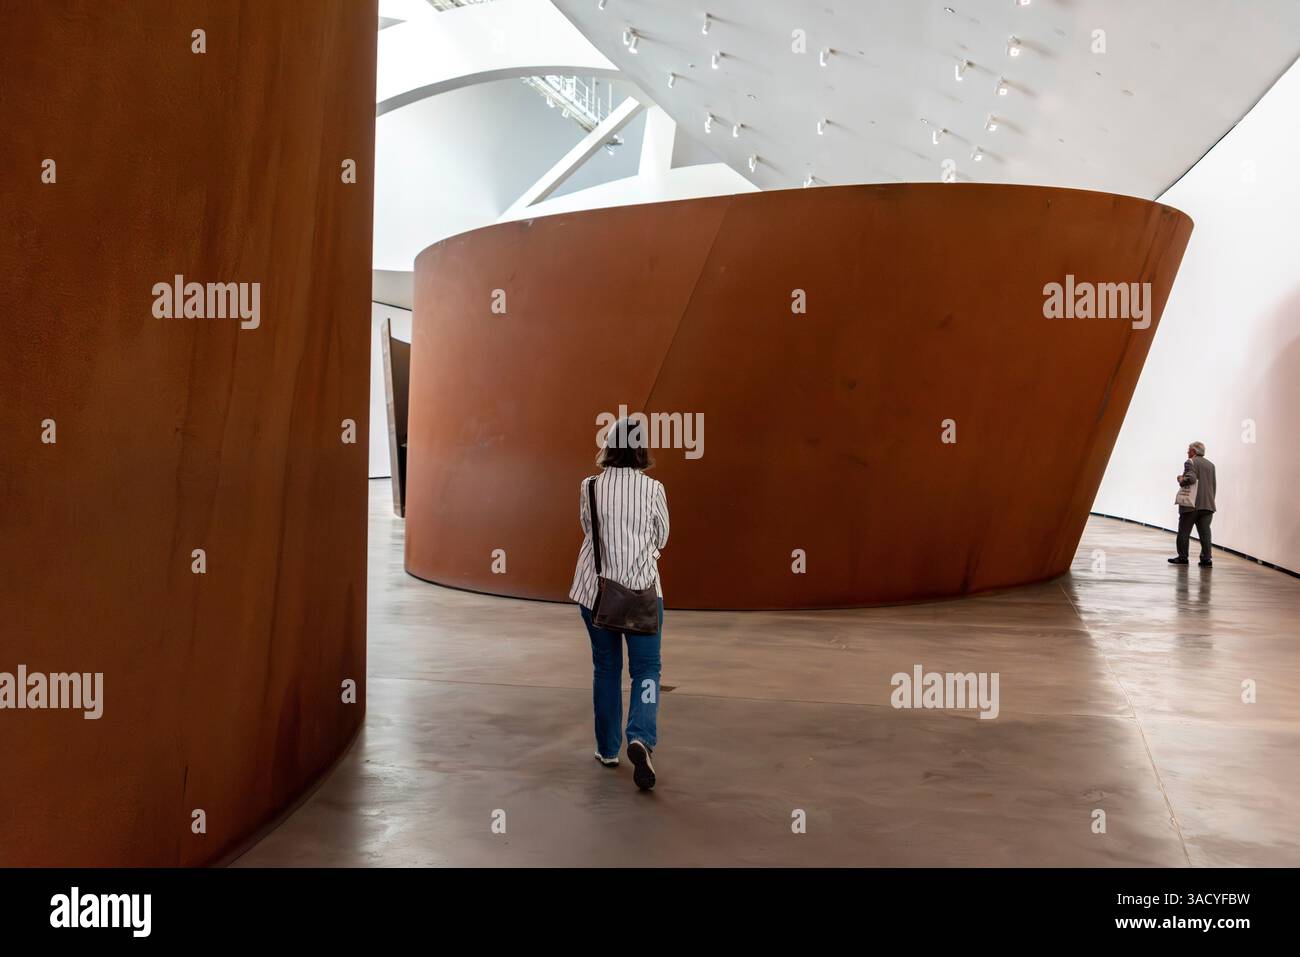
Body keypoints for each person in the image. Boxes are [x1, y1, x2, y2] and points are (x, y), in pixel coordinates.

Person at [570, 418, 669, 791]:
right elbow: (663, 535)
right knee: (647, 670)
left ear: (608, 446)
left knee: (606, 668)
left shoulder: (590, 486)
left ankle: (607, 749)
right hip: (644, 593)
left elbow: (587, 528)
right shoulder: (654, 488)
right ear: (642, 449)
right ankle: (640, 735)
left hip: (597, 593)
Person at [1169, 440, 1217, 567]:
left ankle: (1183, 557)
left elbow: (1191, 478)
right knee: (1205, 533)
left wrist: (1180, 479)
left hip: (1191, 505)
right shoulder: (1211, 465)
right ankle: (1206, 559)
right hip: (1208, 505)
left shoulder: (1190, 462)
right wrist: (1210, 501)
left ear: (1194, 451)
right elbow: (1213, 485)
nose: (1187, 452)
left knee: (1184, 532)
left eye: (1189, 450)